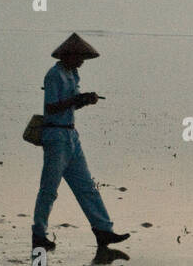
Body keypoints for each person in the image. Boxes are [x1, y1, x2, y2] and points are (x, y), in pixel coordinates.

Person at [32, 32, 129, 252]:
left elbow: (70, 106)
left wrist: (84, 101)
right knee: (49, 189)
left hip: (70, 137)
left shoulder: (73, 74)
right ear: (69, 55)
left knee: (87, 187)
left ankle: (103, 230)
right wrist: (77, 99)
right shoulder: (54, 75)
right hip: (56, 137)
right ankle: (38, 234)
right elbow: (51, 108)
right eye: (80, 58)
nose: (82, 62)